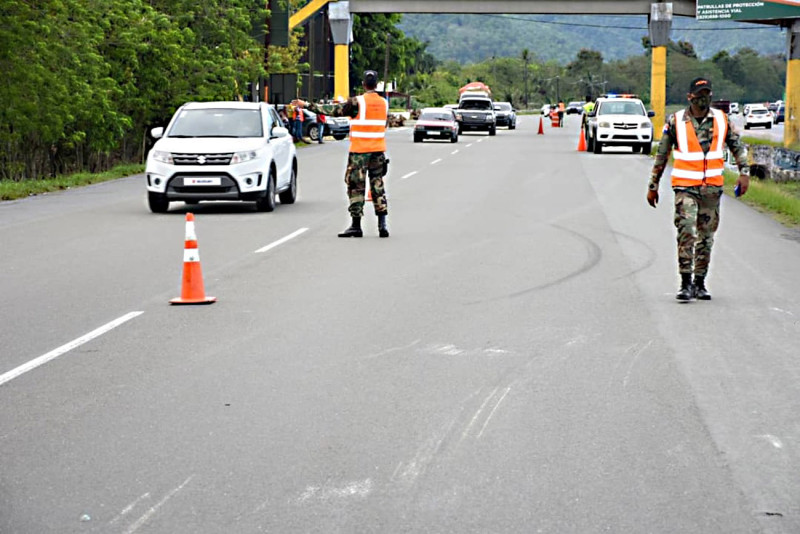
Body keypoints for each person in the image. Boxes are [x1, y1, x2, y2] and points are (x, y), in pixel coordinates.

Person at [646, 77, 750, 301]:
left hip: (711, 189)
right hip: (685, 188)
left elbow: (737, 147)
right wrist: (653, 185)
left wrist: (744, 173)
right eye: (699, 94)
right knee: (686, 232)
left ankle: (700, 283)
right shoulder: (675, 122)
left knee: (706, 238)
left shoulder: (722, 120)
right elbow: (662, 155)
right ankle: (685, 283)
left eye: (707, 93)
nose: (703, 98)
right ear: (689, 97)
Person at [292, 70, 390, 238]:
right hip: (378, 151)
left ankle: (356, 225)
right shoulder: (384, 103)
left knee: (356, 187)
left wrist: (307, 105)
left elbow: (332, 110)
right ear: (376, 84)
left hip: (360, 151)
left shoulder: (357, 102)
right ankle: (382, 224)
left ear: (363, 84)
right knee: (378, 186)